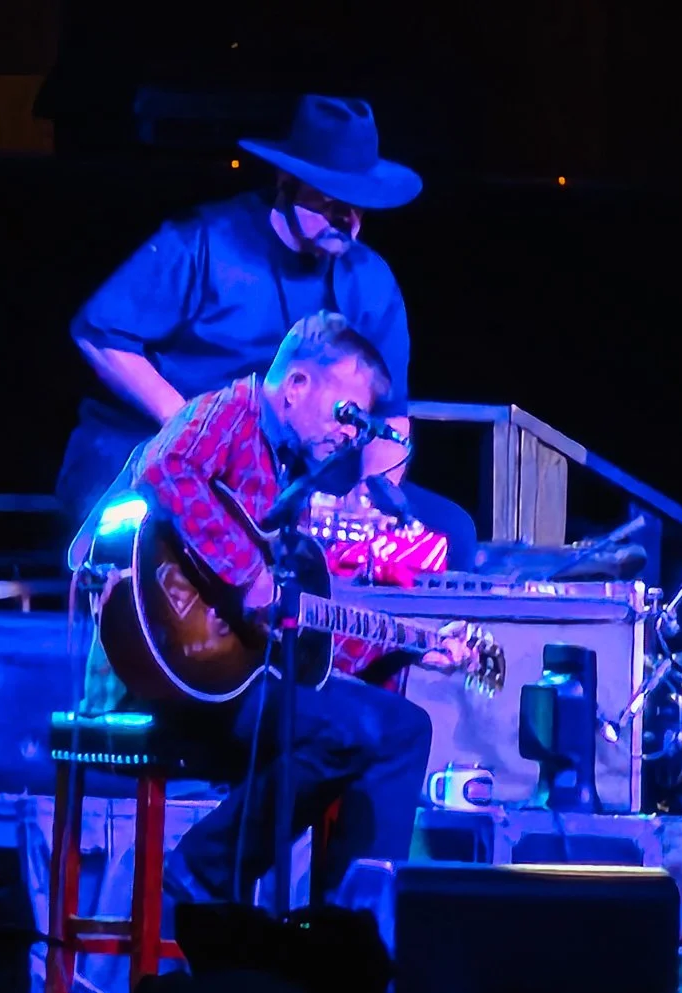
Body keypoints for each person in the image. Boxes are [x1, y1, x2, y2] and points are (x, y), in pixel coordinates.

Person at [120, 313, 484, 906]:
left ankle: (356, 920)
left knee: (403, 727)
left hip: (245, 675)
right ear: (295, 386)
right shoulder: (229, 413)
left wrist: (413, 645)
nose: (349, 435)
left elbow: (301, 624)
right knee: (347, 729)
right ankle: (207, 865)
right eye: (345, 414)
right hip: (179, 672)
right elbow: (163, 471)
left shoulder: (287, 470)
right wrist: (246, 573)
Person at [56, 93, 478, 568]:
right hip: (159, 448)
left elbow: (390, 414)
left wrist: (369, 497)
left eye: (359, 207)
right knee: (200, 529)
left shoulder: (371, 281)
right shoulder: (204, 242)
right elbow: (100, 335)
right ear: (285, 181)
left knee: (453, 534)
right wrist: (195, 429)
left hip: (288, 475)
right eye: (330, 201)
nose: (348, 221)